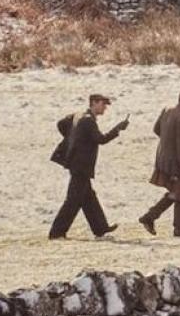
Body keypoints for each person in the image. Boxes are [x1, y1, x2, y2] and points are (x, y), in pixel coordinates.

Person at [49, 93, 129, 240]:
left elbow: (61, 124)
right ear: (94, 103)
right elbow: (101, 139)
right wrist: (117, 129)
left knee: (88, 199)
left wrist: (72, 139)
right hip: (81, 166)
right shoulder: (88, 121)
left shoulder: (80, 116)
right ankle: (57, 232)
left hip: (78, 165)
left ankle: (100, 229)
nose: (105, 107)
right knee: (73, 201)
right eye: (103, 104)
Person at [139, 89, 180, 237]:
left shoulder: (167, 110)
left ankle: (174, 226)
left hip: (163, 160)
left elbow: (156, 129)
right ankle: (158, 221)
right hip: (176, 164)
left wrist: (167, 141)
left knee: (177, 194)